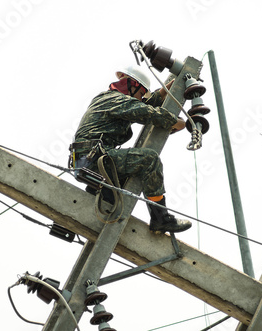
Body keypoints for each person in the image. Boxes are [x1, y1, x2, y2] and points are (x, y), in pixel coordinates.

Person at [71, 64, 191, 233]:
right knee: (149, 160)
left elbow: (145, 103)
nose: (142, 97)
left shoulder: (111, 98)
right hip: (94, 159)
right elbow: (147, 112)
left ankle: (102, 194)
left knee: (119, 186)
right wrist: (182, 123)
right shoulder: (115, 100)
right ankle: (161, 218)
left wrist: (167, 89)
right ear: (132, 86)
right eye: (141, 93)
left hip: (90, 159)